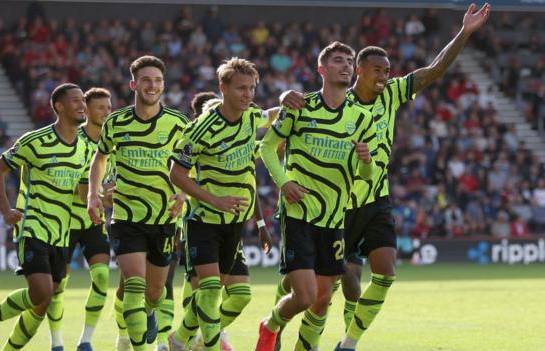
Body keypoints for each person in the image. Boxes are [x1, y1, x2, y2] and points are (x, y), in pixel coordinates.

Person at [280, 4, 491, 350]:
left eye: (388, 70)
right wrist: (281, 95)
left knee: (386, 273)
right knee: (324, 292)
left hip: (377, 200)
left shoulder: (391, 94)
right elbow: (285, 115)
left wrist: (464, 33)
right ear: (358, 71)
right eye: (377, 70)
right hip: (339, 206)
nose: (384, 76)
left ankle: (348, 344)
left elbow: (434, 70)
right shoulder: (336, 102)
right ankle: (301, 339)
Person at [255, 41, 376, 351]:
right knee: (305, 297)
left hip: (335, 218)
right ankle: (270, 326)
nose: (347, 66)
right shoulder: (299, 105)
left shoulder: (362, 119)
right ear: (322, 69)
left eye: (350, 61)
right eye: (338, 60)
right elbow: (267, 147)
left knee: (321, 302)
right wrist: (283, 183)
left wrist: (366, 161)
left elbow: (366, 176)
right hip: (299, 213)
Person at [0, 83, 93, 351]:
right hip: (33, 227)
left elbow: (83, 193)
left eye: (83, 100)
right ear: (59, 106)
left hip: (63, 232)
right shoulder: (35, 141)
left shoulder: (86, 147)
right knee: (41, 292)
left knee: (44, 300)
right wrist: (5, 210)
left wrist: (99, 198)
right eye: (75, 100)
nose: (82, 105)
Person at [167, 58, 273, 351]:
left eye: (252, 88)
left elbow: (271, 115)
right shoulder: (201, 129)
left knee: (239, 296)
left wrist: (290, 102)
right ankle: (210, 346)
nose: (248, 94)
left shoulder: (251, 116)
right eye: (241, 88)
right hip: (203, 222)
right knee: (210, 291)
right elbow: (176, 174)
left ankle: (180, 340)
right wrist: (214, 199)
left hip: (234, 224)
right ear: (222, 88)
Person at [87, 56, 188, 351]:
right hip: (127, 216)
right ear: (134, 84)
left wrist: (184, 193)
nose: (152, 86)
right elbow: (100, 158)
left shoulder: (179, 123)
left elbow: (191, 164)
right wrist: (94, 194)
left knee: (155, 294)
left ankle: (135, 322)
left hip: (164, 218)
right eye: (146, 80)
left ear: (163, 85)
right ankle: (137, 343)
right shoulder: (116, 123)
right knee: (134, 285)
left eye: (157, 80)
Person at [45, 87, 114, 351]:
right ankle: (56, 342)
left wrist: (110, 195)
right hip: (65, 221)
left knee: (102, 278)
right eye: (101, 108)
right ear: (86, 110)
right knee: (58, 284)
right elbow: (78, 187)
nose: (107, 112)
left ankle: (86, 340)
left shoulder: (113, 143)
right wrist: (101, 194)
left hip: (93, 222)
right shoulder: (75, 139)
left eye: (109, 107)